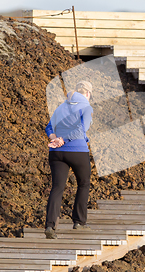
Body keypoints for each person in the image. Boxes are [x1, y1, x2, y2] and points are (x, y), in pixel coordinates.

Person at [44, 80, 94, 239]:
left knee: (57, 187)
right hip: (77, 151)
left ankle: (50, 226)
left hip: (56, 152)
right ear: (87, 93)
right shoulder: (86, 107)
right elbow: (81, 130)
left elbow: (49, 127)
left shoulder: (61, 107)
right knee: (84, 183)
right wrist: (64, 139)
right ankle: (79, 222)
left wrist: (55, 139)